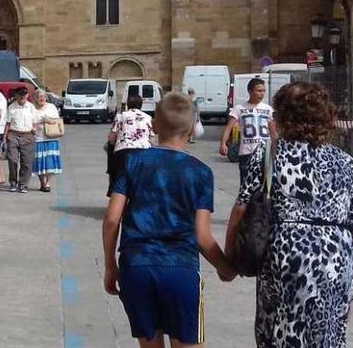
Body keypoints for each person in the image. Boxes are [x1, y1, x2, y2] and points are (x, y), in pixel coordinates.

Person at [224, 82, 353, 347]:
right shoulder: (347, 162)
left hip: (285, 255)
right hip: (335, 259)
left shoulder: (268, 154)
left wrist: (230, 258)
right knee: (328, 335)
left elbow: (241, 208)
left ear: (283, 116)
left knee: (280, 330)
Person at [102, 93, 235, 348]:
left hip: (136, 267)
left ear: (153, 126)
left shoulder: (132, 162)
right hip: (179, 269)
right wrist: (226, 267)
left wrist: (111, 265)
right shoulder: (200, 172)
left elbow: (111, 219)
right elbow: (202, 236)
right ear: (192, 129)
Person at [219, 78, 277, 185]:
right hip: (247, 151)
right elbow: (229, 127)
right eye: (259, 91)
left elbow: (273, 131)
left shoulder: (268, 109)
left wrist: (276, 148)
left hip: (265, 152)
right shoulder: (239, 108)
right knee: (246, 183)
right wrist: (223, 143)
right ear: (250, 91)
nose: (262, 94)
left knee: (266, 185)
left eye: (263, 91)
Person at [107, 95, 154, 196]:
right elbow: (152, 139)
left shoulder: (120, 116)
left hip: (124, 151)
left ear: (128, 104)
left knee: (111, 151)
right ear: (141, 105)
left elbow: (111, 139)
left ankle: (113, 186)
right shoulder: (148, 117)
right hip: (144, 152)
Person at [4, 87, 38, 193]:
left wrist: (35, 129)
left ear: (27, 95)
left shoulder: (31, 107)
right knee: (12, 159)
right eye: (20, 94)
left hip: (27, 135)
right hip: (13, 134)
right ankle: (13, 183)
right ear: (16, 96)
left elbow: (35, 122)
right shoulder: (11, 107)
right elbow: (8, 123)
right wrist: (4, 138)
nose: (23, 97)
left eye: (25, 94)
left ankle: (23, 184)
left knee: (26, 162)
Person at [32, 90, 62, 193]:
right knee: (40, 162)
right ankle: (42, 183)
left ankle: (48, 183)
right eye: (39, 97)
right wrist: (42, 120)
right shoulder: (32, 108)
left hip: (51, 137)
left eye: (43, 97)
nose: (42, 99)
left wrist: (48, 120)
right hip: (38, 138)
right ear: (35, 98)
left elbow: (56, 119)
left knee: (50, 162)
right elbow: (31, 120)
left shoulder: (51, 107)